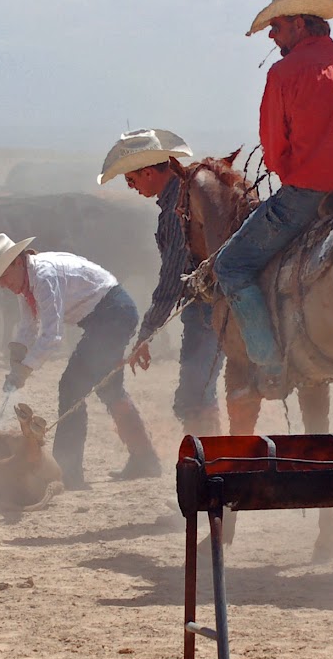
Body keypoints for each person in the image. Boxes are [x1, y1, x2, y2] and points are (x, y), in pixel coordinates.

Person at [213, 0, 333, 395]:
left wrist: (295, 168)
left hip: (312, 194)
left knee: (231, 267)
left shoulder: (285, 72)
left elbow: (275, 152)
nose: (272, 37)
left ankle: (271, 366)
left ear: (297, 22)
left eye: (275, 27)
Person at [97, 128, 253, 438]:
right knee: (199, 392)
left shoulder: (175, 209)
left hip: (207, 308)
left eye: (131, 180)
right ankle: (214, 455)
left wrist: (146, 332)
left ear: (149, 172)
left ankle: (211, 459)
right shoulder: (191, 198)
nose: (131, 187)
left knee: (193, 396)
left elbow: (172, 277)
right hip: (221, 304)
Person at [0, 233, 159, 490]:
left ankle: (67, 471)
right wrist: (17, 355)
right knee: (109, 388)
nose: (3, 285)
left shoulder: (43, 276)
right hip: (107, 315)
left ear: (17, 262)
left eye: (2, 276)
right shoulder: (26, 282)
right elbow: (29, 326)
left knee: (72, 387)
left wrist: (26, 369)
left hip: (112, 314)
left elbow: (52, 336)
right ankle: (145, 459)